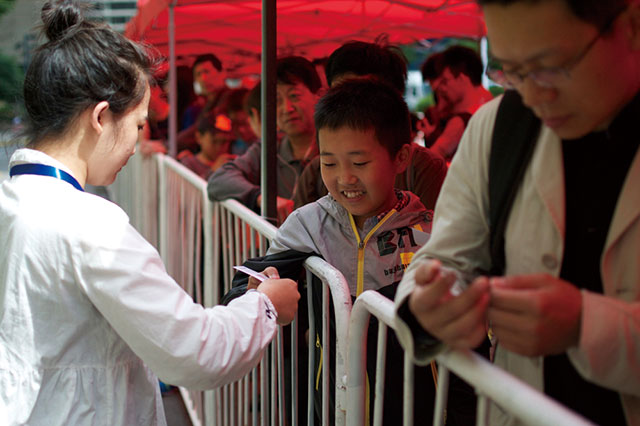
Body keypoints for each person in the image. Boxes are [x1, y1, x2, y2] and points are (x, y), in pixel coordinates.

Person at [0, 2, 299, 424]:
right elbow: (196, 352)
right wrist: (265, 307)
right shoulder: (91, 224)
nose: (138, 145)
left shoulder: (11, 201)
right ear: (101, 118)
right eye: (139, 126)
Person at [395, 0, 640, 425]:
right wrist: (429, 304)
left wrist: (587, 325)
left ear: (632, 27)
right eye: (510, 71)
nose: (532, 94)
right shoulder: (499, 127)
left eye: (551, 65)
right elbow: (445, 257)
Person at [229, 78, 476, 425]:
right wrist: (256, 292)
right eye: (329, 164)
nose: (345, 178)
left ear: (401, 157)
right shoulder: (308, 225)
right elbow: (245, 284)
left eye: (359, 163)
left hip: (412, 402)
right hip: (333, 402)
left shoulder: (430, 232)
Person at [292, 39, 448, 212]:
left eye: (360, 163)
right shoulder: (316, 172)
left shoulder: (424, 168)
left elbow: (435, 232)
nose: (346, 179)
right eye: (341, 96)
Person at [207, 56, 322, 223]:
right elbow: (218, 180)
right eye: (277, 101)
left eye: (294, 96)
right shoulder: (270, 148)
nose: (287, 108)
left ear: (318, 97)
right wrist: (261, 197)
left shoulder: (332, 148)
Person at [420, 45, 493, 162]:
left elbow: (430, 160)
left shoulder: (461, 120)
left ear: (461, 78)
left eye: (445, 81)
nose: (442, 89)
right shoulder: (494, 105)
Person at [177, 111, 236, 180]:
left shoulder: (230, 165)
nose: (219, 147)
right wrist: (212, 172)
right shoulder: (188, 164)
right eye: (215, 141)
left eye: (224, 142)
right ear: (199, 137)